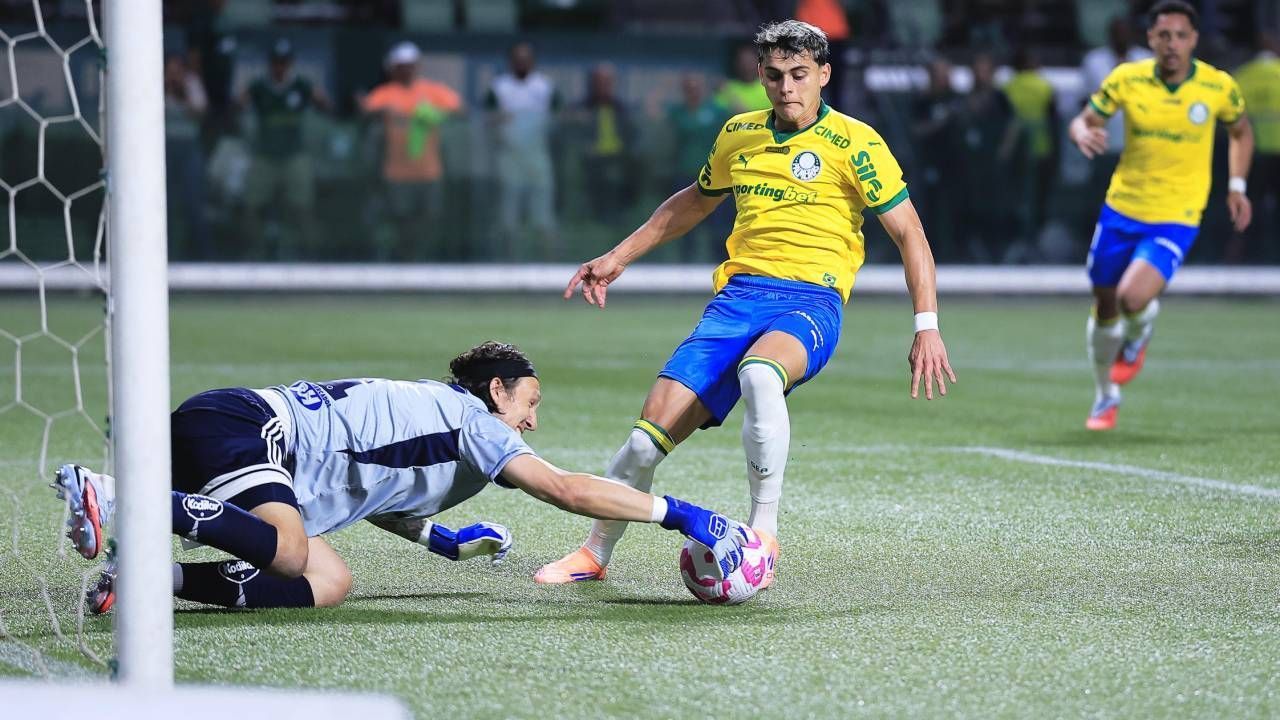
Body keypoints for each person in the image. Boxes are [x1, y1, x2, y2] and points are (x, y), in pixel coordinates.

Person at [536, 20, 956, 587]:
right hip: (736, 302)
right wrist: (618, 257)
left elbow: (910, 234)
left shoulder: (857, 144)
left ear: (824, 75)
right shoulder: (739, 133)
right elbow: (693, 202)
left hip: (811, 302)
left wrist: (926, 326)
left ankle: (763, 534)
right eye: (776, 75)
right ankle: (594, 554)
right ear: (760, 76)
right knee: (642, 442)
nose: (788, 88)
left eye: (800, 75)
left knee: (761, 374)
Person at [53, 342, 752, 612]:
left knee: (327, 582)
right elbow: (568, 489)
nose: (531, 422)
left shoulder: (440, 420)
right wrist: (685, 516)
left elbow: (372, 490)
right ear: (498, 390)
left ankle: (147, 579)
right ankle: (111, 493)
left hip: (233, 429)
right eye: (530, 404)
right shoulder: (471, 421)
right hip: (247, 427)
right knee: (291, 550)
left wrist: (439, 542)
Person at [1067, 0, 1253, 431]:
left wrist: (1237, 186)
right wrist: (1081, 131)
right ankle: (1105, 395)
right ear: (1149, 39)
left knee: (1133, 297)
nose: (1172, 44)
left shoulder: (1217, 87)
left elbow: (1241, 131)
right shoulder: (1127, 79)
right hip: (1122, 207)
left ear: (1194, 40)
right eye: (1163, 36)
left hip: (1177, 213)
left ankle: (1141, 328)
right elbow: (1086, 118)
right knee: (1105, 301)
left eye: (1181, 36)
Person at [361, 41, 463, 260]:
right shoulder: (385, 93)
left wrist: (433, 113)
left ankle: (425, 261)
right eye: (401, 65)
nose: (407, 69)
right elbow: (365, 110)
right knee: (400, 220)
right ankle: (403, 262)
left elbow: (459, 108)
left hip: (429, 170)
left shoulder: (432, 90)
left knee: (429, 219)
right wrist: (381, 113)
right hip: (396, 172)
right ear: (393, 68)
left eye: (411, 65)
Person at [239, 38, 330, 259]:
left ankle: (308, 253)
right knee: (252, 206)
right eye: (276, 62)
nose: (280, 67)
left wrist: (318, 98)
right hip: (265, 155)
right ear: (270, 63)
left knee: (302, 207)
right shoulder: (258, 85)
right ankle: (258, 250)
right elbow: (238, 104)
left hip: (294, 155)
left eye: (284, 62)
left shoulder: (301, 84)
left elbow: (325, 105)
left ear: (290, 63)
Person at [485, 41, 561, 261]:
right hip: (509, 157)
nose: (522, 62)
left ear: (533, 61)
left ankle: (549, 264)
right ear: (511, 62)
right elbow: (486, 119)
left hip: (538, 156)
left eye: (526, 58)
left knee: (543, 217)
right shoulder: (499, 87)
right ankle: (509, 263)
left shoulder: (545, 87)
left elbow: (560, 117)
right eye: (517, 58)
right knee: (508, 217)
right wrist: (497, 121)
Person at [1079, 16, 1153, 234]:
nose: (1121, 36)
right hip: (1104, 146)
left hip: (1138, 148)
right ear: (1110, 36)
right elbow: (1084, 101)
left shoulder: (1147, 61)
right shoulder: (1094, 61)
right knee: (1101, 199)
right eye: (1116, 32)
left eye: (1125, 32)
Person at [665, 73, 729, 262]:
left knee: (717, 224)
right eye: (689, 88)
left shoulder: (716, 110)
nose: (693, 92)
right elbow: (654, 112)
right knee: (685, 222)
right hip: (684, 173)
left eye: (696, 87)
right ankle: (686, 264)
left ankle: (720, 262)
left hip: (712, 175)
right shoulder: (678, 112)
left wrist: (727, 93)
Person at [1230, 32, 1280, 262]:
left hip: (1251, 155)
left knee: (1248, 206)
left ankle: (1242, 255)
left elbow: (1230, 121)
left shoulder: (1242, 76)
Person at [1002, 46, 1059, 247]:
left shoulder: (1008, 87)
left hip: (1015, 151)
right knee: (1038, 197)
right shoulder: (1044, 86)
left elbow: (1002, 117)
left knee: (1019, 196)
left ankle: (1019, 237)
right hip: (1041, 149)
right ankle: (1034, 238)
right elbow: (1053, 118)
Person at [163, 52, 210, 260]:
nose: (173, 75)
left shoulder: (192, 83)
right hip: (164, 149)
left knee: (194, 203)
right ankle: (167, 253)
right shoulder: (152, 80)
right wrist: (165, 88)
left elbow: (200, 112)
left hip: (189, 147)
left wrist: (181, 92)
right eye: (170, 70)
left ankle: (202, 254)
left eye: (177, 70)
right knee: (166, 204)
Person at [579, 63, 636, 223]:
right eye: (600, 81)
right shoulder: (583, 108)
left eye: (607, 81)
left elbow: (631, 135)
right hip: (591, 159)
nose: (603, 85)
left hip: (617, 157)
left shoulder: (621, 108)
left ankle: (620, 216)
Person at [715, 44, 772, 115]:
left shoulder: (769, 87)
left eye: (749, 61)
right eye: (742, 62)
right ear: (736, 64)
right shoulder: (725, 87)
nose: (746, 66)